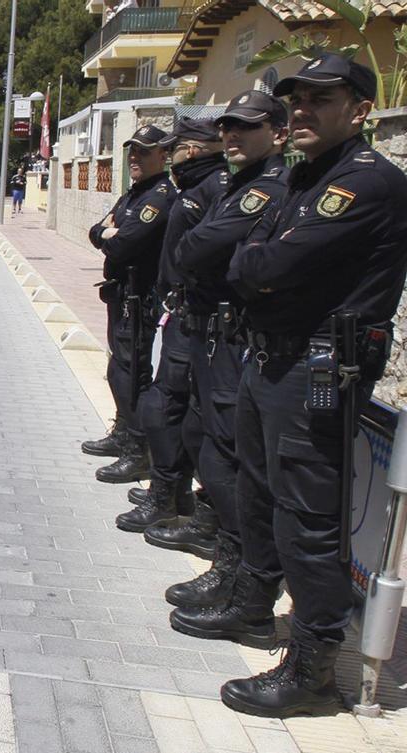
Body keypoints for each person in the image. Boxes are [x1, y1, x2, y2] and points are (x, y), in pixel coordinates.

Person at [186, 54, 407, 718]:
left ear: (361, 110)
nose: (304, 109)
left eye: (322, 98)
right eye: (298, 99)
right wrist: (259, 262)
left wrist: (258, 261)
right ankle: (254, 603)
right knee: (258, 490)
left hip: (315, 374)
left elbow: (264, 262)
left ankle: (311, 667)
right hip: (271, 359)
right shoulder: (308, 179)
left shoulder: (365, 183)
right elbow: (251, 262)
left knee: (308, 519)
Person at [164, 92, 289, 611]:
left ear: (277, 133)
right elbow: (196, 247)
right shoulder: (240, 183)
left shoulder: (267, 188)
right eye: (228, 126)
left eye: (246, 126)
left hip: (237, 336)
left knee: (227, 456)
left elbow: (199, 248)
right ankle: (224, 551)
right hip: (216, 331)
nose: (232, 135)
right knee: (209, 442)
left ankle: (240, 575)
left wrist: (201, 245)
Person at [116, 118, 228, 534]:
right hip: (181, 313)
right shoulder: (192, 189)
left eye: (173, 147)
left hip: (199, 317)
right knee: (166, 407)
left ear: (192, 150)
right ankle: (169, 491)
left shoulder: (214, 190)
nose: (169, 154)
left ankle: (175, 500)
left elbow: (198, 251)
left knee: (172, 410)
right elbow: (109, 235)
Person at [83, 125, 174, 484]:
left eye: (143, 152)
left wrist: (110, 234)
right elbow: (96, 232)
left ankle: (139, 451)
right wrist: (105, 232)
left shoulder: (160, 196)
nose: (135, 158)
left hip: (140, 298)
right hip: (121, 294)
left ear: (162, 155)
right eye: (132, 151)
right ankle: (123, 432)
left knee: (132, 372)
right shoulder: (134, 195)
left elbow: (123, 245)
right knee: (119, 369)